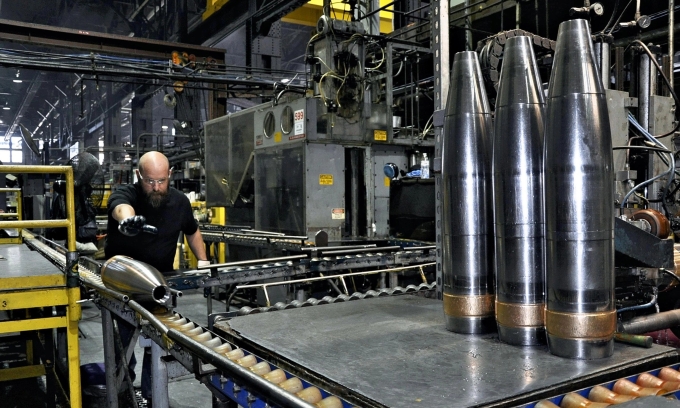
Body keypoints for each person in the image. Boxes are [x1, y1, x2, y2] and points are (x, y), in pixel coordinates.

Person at [105, 150, 209, 404]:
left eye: (161, 181)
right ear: (138, 175)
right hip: (124, 285)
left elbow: (192, 231)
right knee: (122, 341)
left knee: (158, 341)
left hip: (160, 285)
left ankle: (152, 394)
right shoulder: (128, 194)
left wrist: (203, 260)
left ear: (170, 175)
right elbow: (120, 206)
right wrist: (129, 220)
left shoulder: (179, 202)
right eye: (150, 181)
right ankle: (122, 389)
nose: (156, 187)